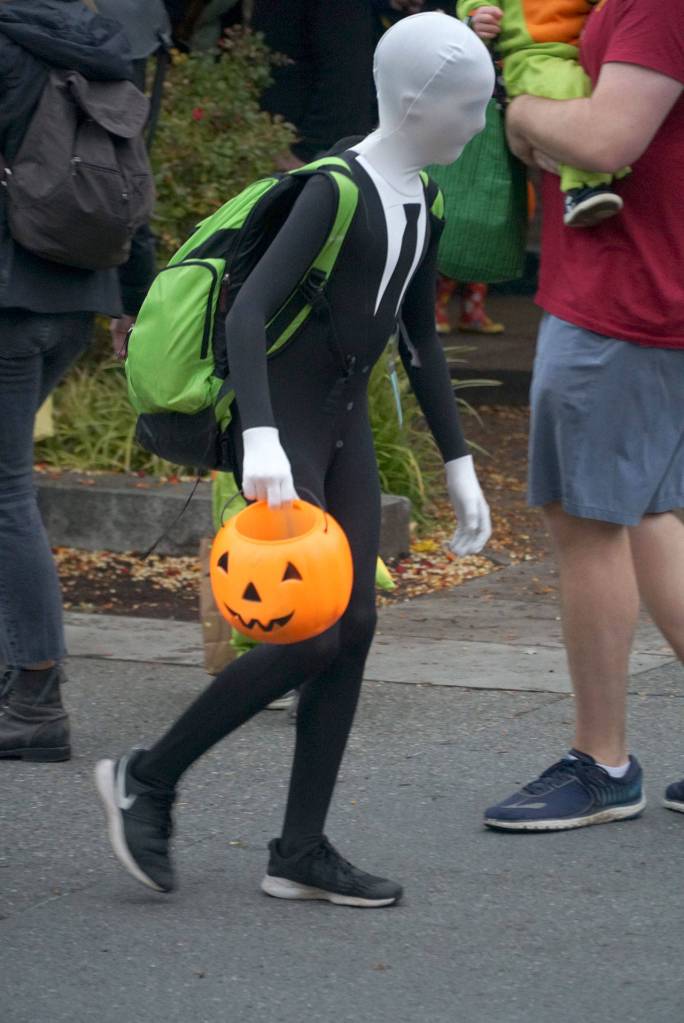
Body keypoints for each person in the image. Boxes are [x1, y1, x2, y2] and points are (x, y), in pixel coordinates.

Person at [95, 12, 494, 906]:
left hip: (342, 423)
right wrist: (264, 438)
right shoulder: (335, 189)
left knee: (353, 631)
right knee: (308, 624)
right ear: (419, 102)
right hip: (284, 429)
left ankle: (299, 849)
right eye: (468, 108)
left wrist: (458, 461)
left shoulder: (423, 198)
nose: (477, 125)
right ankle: (148, 779)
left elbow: (420, 339)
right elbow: (247, 317)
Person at [483, 0, 684, 831]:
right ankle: (603, 759)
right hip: (640, 293)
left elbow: (604, 141)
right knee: (649, 515)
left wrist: (523, 108)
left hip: (619, 300)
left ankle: (601, 762)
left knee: (590, 522)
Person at [0, 0, 155, 762]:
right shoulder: (96, 48)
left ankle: (34, 696)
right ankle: (17, 670)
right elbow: (132, 186)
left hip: (7, 298)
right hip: (76, 300)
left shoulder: (8, 51)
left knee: (6, 494)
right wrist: (134, 304)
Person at [458, 0, 627, 227]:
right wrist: (476, 17)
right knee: (570, 89)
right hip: (531, 56)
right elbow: (474, 6)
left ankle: (606, 165)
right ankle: (584, 187)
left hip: (580, 49)